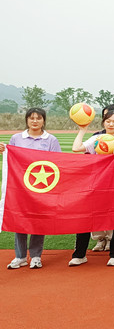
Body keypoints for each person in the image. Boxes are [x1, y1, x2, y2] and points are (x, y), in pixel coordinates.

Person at [69, 109, 114, 267]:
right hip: (95, 185)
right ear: (103, 122)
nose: (111, 124)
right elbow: (76, 148)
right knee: (85, 218)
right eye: (108, 121)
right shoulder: (96, 139)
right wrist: (82, 130)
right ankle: (79, 254)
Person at [1, 108, 61, 270]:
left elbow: (58, 162)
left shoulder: (51, 140)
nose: (35, 121)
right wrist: (4, 151)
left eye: (38, 118)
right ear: (27, 120)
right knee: (20, 220)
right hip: (20, 187)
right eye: (31, 118)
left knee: (38, 221)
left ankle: (35, 256)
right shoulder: (16, 138)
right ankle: (20, 256)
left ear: (44, 121)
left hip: (42, 188)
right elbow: (12, 158)